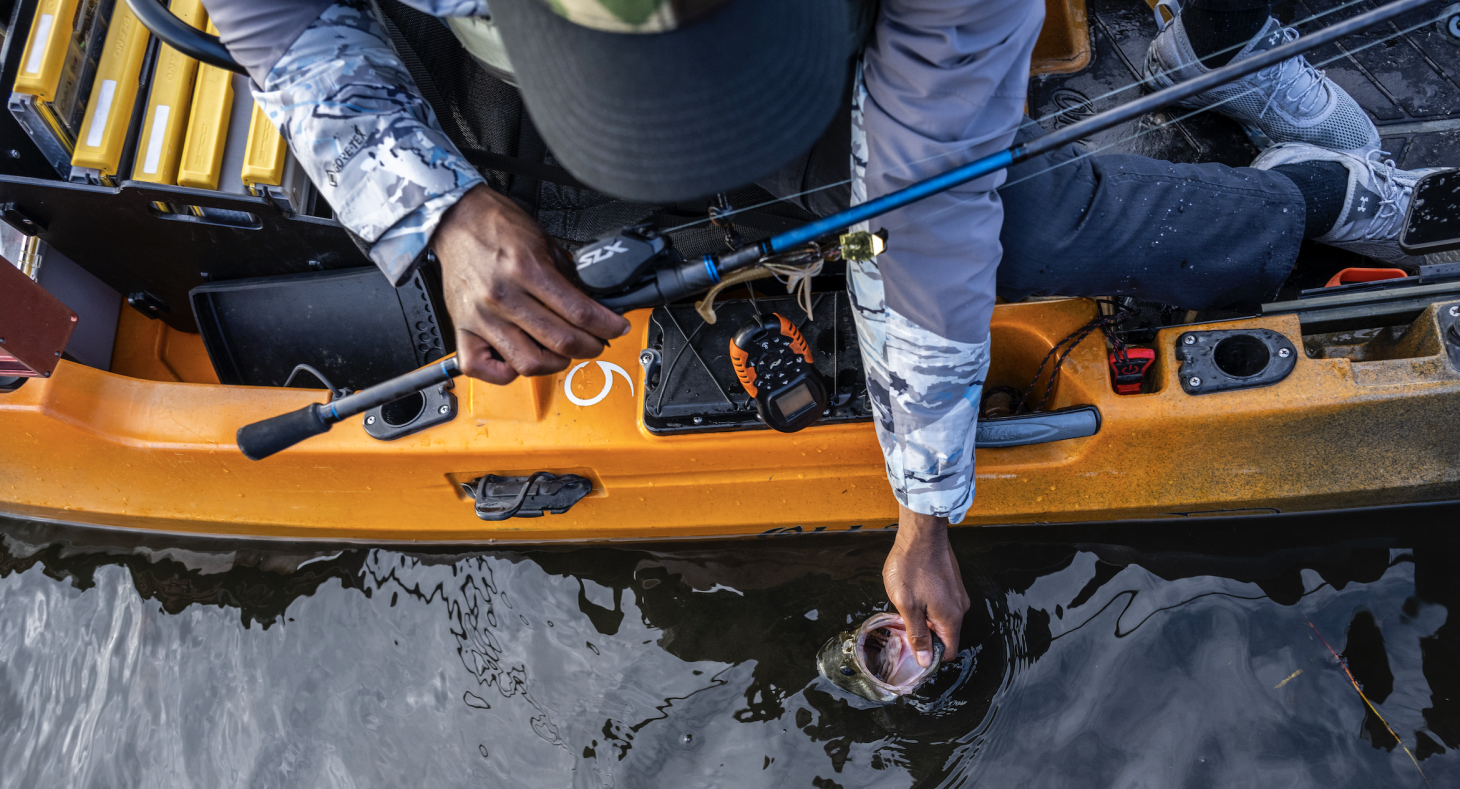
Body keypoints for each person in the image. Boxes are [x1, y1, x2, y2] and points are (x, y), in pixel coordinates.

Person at [202, 0, 1441, 667]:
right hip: (503, 88)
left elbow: (936, 216)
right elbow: (270, 17)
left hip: (857, 47)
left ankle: (1310, 198)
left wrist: (924, 509)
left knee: (1025, 221)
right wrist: (438, 209)